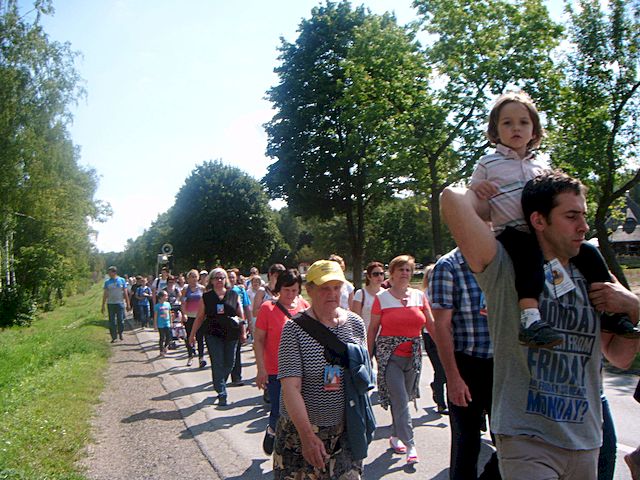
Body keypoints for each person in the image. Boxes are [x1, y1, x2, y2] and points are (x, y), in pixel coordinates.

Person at [441, 170, 640, 479]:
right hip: (527, 438)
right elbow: (451, 199)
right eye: (571, 216)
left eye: (583, 216)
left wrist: (634, 306)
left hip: (586, 439)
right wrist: (488, 196)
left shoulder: (594, 274)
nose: (583, 226)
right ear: (538, 220)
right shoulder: (504, 266)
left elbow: (621, 357)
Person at [469, 90, 639, 347]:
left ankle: (609, 312)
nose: (516, 128)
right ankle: (530, 319)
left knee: (590, 253)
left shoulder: (541, 165)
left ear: (534, 131)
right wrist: (478, 189)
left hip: (544, 232)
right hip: (512, 232)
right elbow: (472, 198)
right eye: (507, 123)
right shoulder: (488, 163)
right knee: (529, 257)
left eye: (523, 122)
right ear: (495, 130)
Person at [274, 260, 368, 479]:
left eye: (337, 287)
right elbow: (290, 388)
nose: (332, 294)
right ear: (309, 290)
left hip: (346, 429)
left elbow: (362, 376)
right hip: (302, 432)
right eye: (325, 288)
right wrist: (307, 437)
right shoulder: (294, 329)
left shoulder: (355, 324)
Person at [429, 248, 500, 480]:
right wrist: (453, 378)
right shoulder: (448, 266)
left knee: (511, 441)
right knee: (466, 442)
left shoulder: (502, 258)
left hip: (504, 365)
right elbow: (442, 326)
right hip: (467, 365)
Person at [367, 254, 434, 465]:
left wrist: (445, 348)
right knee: (400, 399)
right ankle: (410, 444)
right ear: (392, 274)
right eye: (401, 270)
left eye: (408, 270)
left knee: (404, 398)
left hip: (413, 356)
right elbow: (373, 329)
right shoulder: (382, 298)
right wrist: (367, 356)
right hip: (390, 357)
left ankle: (396, 435)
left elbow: (431, 325)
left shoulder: (419, 296)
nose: (405, 273)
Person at [254, 268, 309, 455]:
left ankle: (294, 447)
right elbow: (258, 340)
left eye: (294, 290)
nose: (291, 294)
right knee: (279, 410)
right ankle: (272, 430)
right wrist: (261, 369)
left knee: (300, 410)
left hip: (301, 370)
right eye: (287, 290)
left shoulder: (304, 306)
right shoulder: (267, 308)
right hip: (276, 370)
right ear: (279, 288)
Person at [188, 268, 246, 407]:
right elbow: (200, 317)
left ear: (225, 280)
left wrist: (243, 332)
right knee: (217, 362)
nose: (219, 280)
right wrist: (192, 334)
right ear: (212, 280)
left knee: (230, 363)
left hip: (231, 333)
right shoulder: (206, 297)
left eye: (222, 278)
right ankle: (221, 392)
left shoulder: (233, 294)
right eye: (216, 278)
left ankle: (220, 382)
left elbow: (240, 315)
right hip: (213, 333)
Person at [421, 264, 448, 415]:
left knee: (448, 369)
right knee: (440, 369)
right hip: (430, 336)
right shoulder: (425, 295)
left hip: (447, 335)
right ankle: (441, 403)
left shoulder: (446, 291)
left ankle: (440, 393)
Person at [228, 268, 251, 386]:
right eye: (229, 277)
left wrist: (249, 324)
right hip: (224, 325)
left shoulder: (240, 290)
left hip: (238, 323)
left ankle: (237, 377)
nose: (231, 279)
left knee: (236, 350)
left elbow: (246, 307)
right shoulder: (222, 291)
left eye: (233, 277)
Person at [182, 269, 206, 368]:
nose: (194, 279)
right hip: (189, 316)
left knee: (200, 337)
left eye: (195, 276)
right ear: (188, 279)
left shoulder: (202, 288)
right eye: (192, 277)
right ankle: (190, 356)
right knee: (189, 336)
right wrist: (184, 314)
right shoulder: (185, 289)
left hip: (199, 316)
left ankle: (201, 358)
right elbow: (183, 302)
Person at [351, 261, 385, 329]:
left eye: (381, 274)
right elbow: (355, 320)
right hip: (365, 332)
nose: (379, 276)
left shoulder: (386, 294)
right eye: (375, 274)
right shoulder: (360, 294)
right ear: (369, 276)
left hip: (383, 334)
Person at [101, 266, 131, 342]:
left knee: (120, 320)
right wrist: (103, 305)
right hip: (110, 303)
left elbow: (125, 293)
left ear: (114, 272)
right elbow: (105, 294)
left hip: (120, 303)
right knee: (112, 321)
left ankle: (120, 333)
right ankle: (113, 337)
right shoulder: (107, 282)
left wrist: (128, 304)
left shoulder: (122, 280)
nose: (109, 274)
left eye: (110, 272)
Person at [154, 290, 172, 356]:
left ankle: (165, 346)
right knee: (162, 337)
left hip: (167, 322)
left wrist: (171, 322)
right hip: (160, 324)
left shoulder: (168, 304)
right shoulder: (157, 306)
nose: (167, 297)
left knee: (168, 336)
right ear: (161, 297)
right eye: (165, 296)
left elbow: (170, 313)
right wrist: (155, 325)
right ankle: (161, 350)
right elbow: (155, 316)